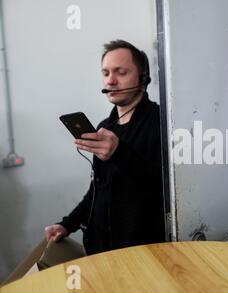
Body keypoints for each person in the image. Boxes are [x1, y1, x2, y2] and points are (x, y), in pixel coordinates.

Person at [44, 40, 166, 255]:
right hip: (100, 250)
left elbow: (163, 188)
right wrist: (67, 224)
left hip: (142, 253)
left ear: (143, 77)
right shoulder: (104, 128)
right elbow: (98, 189)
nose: (111, 80)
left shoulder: (162, 121)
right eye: (106, 72)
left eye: (121, 72)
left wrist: (120, 153)